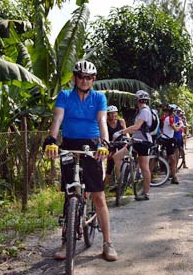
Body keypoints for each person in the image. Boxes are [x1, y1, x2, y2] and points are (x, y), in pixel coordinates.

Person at [43, 60, 118, 262]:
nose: (84, 81)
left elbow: (102, 121)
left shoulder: (99, 98)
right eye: (81, 77)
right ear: (75, 78)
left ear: (93, 80)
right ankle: (66, 241)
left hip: (92, 146)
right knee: (69, 196)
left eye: (88, 78)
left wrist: (105, 143)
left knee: (98, 197)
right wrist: (51, 140)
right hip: (68, 144)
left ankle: (107, 243)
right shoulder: (65, 96)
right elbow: (58, 119)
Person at [112, 90, 153, 201]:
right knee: (117, 156)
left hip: (143, 142)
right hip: (135, 141)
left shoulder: (145, 111)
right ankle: (122, 180)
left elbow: (136, 127)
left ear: (138, 100)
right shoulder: (140, 111)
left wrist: (120, 132)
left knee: (144, 167)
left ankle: (146, 193)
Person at [104, 105, 127, 189]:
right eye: (111, 114)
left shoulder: (121, 121)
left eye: (115, 113)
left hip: (121, 143)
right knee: (110, 165)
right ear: (108, 115)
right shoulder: (105, 123)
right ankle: (105, 187)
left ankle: (123, 181)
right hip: (111, 145)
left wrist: (127, 139)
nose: (113, 115)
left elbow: (126, 131)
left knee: (123, 161)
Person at [160, 105, 181, 184]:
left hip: (164, 138)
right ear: (172, 112)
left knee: (169, 158)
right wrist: (180, 126)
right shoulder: (170, 119)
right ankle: (174, 176)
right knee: (172, 159)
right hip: (167, 139)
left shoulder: (166, 118)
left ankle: (172, 175)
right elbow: (175, 129)